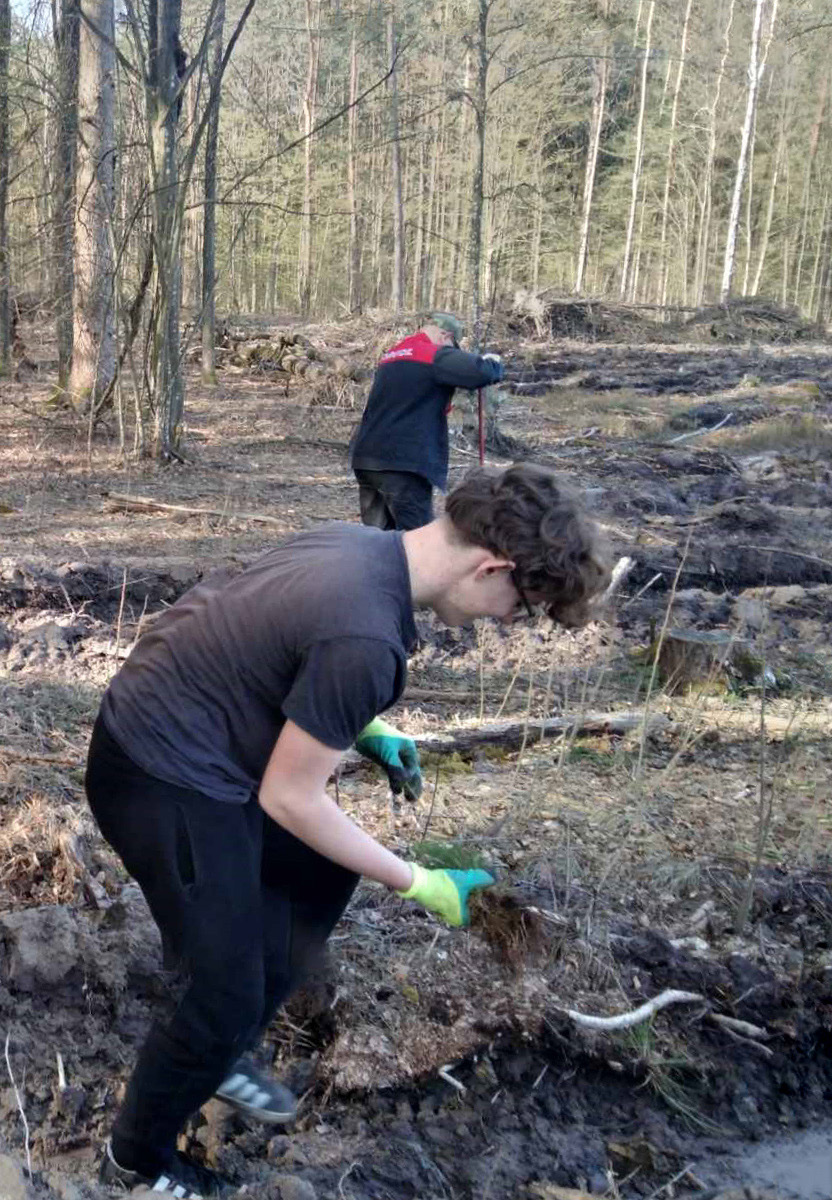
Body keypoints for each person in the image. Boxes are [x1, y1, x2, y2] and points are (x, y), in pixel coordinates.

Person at [86, 463, 610, 1197]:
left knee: (320, 872)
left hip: (191, 735)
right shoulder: (367, 634)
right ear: (493, 566)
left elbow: (271, 646)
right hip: (156, 773)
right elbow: (291, 799)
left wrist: (359, 728)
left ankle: (219, 1050)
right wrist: (419, 882)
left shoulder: (362, 549)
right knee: (223, 988)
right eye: (520, 607)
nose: (507, 622)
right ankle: (139, 1158)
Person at [349, 312, 505, 531]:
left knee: (377, 537)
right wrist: (493, 362)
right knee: (417, 538)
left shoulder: (393, 355)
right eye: (452, 347)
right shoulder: (432, 354)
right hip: (403, 465)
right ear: (445, 336)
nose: (452, 352)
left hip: (367, 459)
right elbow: (481, 372)